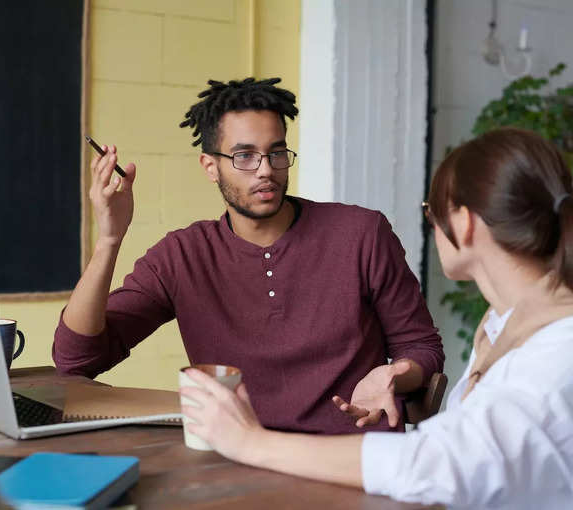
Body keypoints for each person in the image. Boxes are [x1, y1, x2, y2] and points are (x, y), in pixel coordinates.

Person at [179, 127, 573, 509]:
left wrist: (249, 442)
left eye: (430, 212)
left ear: (465, 223)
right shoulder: (504, 324)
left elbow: (439, 463)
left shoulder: (554, 349)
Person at [53, 77, 444, 434]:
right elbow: (77, 360)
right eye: (244, 156)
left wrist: (392, 376)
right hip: (238, 459)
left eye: (276, 153)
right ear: (210, 166)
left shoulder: (361, 233)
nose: (265, 171)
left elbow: (422, 347)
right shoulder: (182, 255)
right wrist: (109, 239)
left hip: (350, 459)